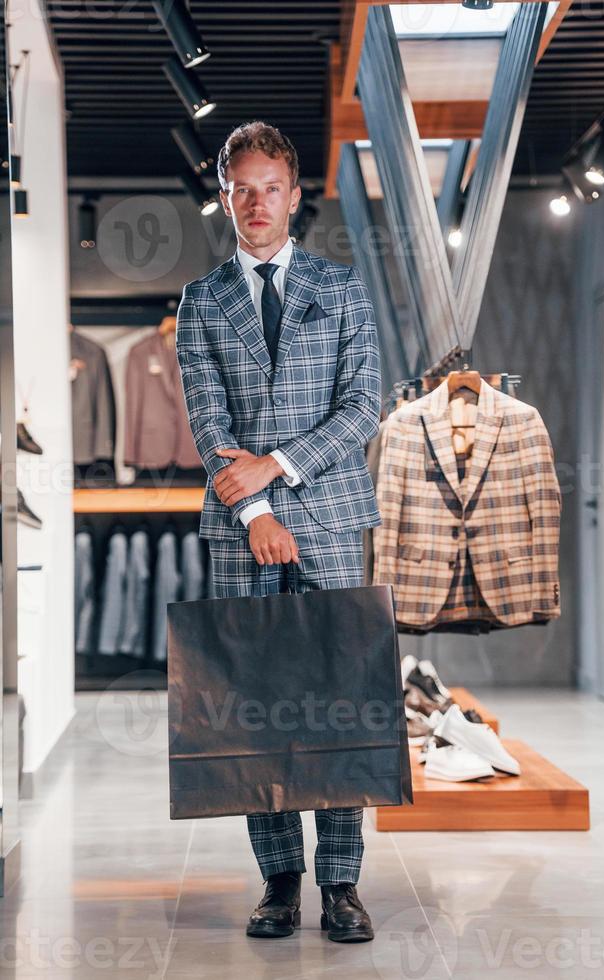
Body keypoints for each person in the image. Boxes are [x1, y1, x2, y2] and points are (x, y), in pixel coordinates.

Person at [176, 120, 382, 943]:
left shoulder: (342, 290)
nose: (256, 203)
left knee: (340, 706)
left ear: (295, 196)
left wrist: (277, 471)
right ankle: (278, 882)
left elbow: (362, 407)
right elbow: (207, 419)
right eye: (241, 189)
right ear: (224, 196)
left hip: (330, 524)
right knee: (254, 709)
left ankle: (341, 885)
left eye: (271, 188)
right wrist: (255, 511)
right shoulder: (202, 301)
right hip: (240, 531)